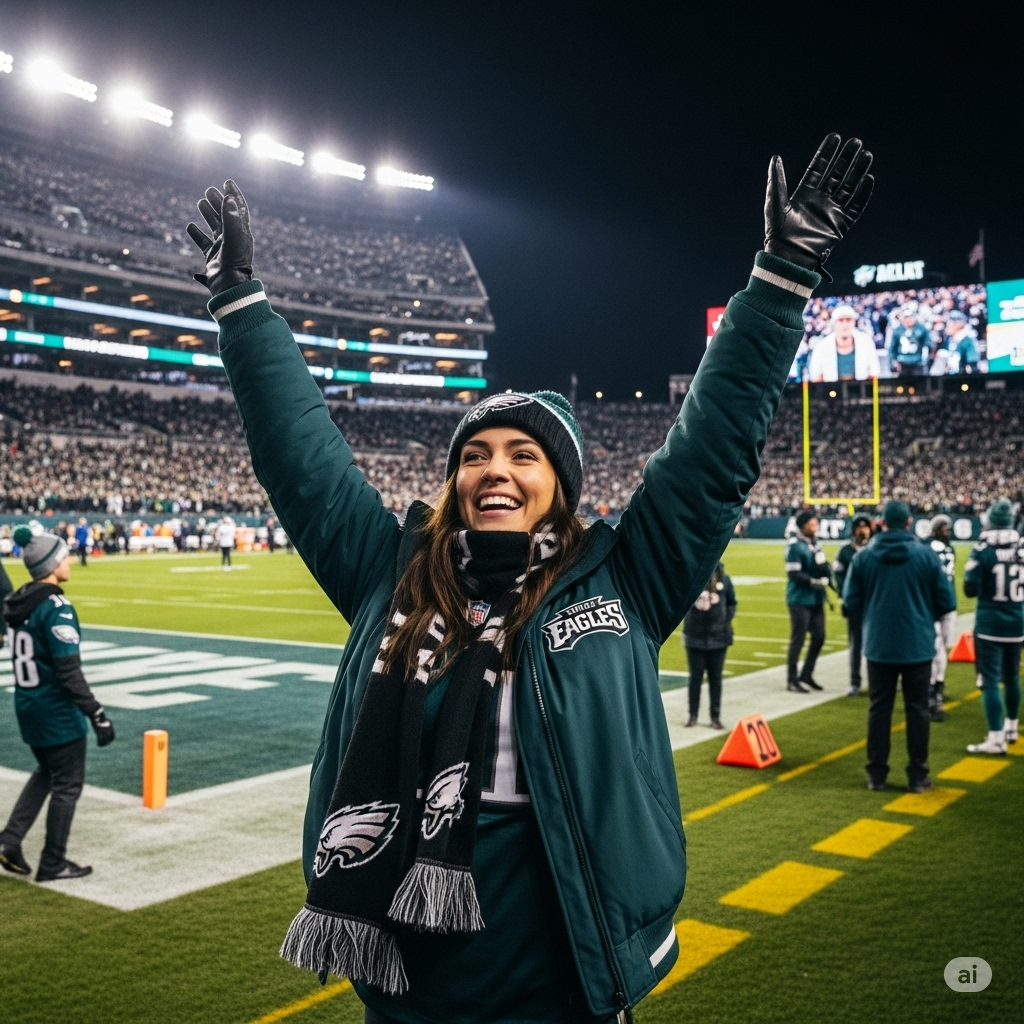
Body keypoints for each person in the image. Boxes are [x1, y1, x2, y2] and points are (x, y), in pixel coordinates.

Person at [186, 133, 873, 1021]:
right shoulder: (388, 570)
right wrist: (242, 307)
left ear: (562, 486)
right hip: (409, 970)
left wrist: (781, 275)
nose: (494, 470)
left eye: (523, 454)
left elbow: (711, 455)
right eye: (474, 455)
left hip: (568, 968)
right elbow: (303, 461)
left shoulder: (623, 575)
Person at [0, 526, 115, 881]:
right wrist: (96, 712)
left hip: (28, 705)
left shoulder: (20, 600)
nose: (68, 561)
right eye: (63, 556)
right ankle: (53, 861)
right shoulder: (56, 606)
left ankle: (9, 841)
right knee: (67, 784)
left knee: (46, 774)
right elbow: (68, 672)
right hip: (55, 710)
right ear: (50, 563)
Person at [842, 501, 956, 792]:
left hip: (879, 645)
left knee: (879, 710)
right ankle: (917, 776)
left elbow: (850, 603)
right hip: (917, 645)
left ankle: (876, 775)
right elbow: (947, 602)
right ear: (909, 522)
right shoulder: (926, 556)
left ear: (882, 522)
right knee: (917, 711)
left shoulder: (865, 557)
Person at [962, 499, 1023, 754]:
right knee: (1012, 678)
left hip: (990, 623)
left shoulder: (983, 547)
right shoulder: (1021, 546)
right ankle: (1012, 726)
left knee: (989, 682)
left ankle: (995, 739)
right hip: (1018, 622)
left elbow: (969, 588)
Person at [682, 562, 737, 729]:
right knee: (695, 678)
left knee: (715, 679)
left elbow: (732, 602)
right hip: (695, 636)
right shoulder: (692, 576)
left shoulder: (724, 580)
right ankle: (693, 715)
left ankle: (715, 716)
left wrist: (724, 620)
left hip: (718, 638)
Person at [785, 510, 833, 693]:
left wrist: (826, 575)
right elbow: (793, 572)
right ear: (803, 526)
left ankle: (806, 673)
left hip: (815, 598)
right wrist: (813, 581)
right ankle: (791, 679)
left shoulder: (815, 543)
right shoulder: (795, 545)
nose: (815, 527)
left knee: (819, 636)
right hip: (799, 598)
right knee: (798, 638)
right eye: (812, 525)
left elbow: (822, 566)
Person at [833, 513, 873, 695]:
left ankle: (880, 680)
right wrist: (846, 595)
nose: (863, 530)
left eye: (865, 527)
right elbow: (839, 577)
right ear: (854, 530)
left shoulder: (876, 549)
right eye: (859, 527)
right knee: (855, 645)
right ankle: (855, 682)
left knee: (877, 643)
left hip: (874, 604)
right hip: (856, 605)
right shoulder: (845, 551)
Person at [926, 514, 957, 720]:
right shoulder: (926, 549)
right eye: (944, 528)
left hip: (948, 604)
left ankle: (938, 684)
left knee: (943, 647)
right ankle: (933, 691)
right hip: (933, 605)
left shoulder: (950, 549)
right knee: (935, 650)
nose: (948, 531)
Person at [808, 304, 881, 382]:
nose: (845, 324)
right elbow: (816, 376)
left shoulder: (866, 342)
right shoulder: (821, 346)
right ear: (834, 323)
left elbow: (874, 372)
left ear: (854, 322)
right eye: (841, 320)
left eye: (848, 320)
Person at [887, 304, 931, 377]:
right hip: (902, 361)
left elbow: (927, 345)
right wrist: (893, 361)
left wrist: (925, 360)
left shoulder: (922, 329)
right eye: (906, 318)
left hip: (917, 361)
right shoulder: (897, 330)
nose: (908, 320)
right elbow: (892, 347)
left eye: (910, 317)